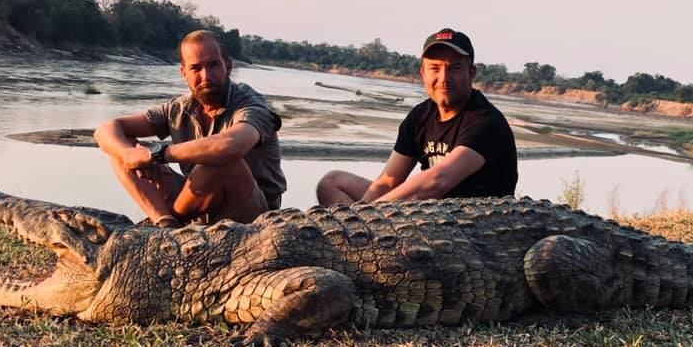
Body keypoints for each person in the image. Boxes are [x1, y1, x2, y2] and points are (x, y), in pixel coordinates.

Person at [95, 30, 285, 227]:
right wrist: (129, 154)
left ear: (228, 65)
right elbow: (106, 129)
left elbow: (231, 146)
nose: (206, 76)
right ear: (183, 72)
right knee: (121, 148)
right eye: (196, 68)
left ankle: (174, 221)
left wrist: (156, 154)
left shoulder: (252, 105)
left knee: (221, 160)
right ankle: (163, 222)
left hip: (253, 212)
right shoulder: (179, 107)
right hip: (198, 201)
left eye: (213, 65)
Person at [316, 28, 517, 206]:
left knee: (418, 192)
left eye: (454, 68)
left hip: (471, 223)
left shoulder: (486, 121)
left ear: (471, 73)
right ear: (422, 73)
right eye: (435, 68)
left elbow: (438, 181)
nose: (444, 78)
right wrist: (364, 211)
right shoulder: (421, 115)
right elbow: (388, 182)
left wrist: (370, 215)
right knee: (331, 183)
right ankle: (361, 240)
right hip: (429, 211)